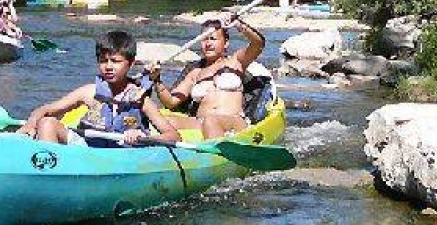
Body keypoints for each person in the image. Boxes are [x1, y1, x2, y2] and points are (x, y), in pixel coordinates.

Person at [17, 30, 181, 147]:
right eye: (103, 61)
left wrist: (144, 138)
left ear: (130, 64)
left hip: (121, 154)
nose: (108, 67)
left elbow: (174, 136)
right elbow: (46, 110)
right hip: (88, 147)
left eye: (115, 61)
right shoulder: (89, 92)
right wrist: (31, 124)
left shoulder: (140, 98)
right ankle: (50, 170)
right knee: (47, 123)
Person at [148, 17, 265, 139]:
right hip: (201, 122)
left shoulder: (236, 61)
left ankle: (217, 154)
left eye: (213, 39)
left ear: (226, 43)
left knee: (211, 120)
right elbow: (171, 102)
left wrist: (239, 25)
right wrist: (157, 79)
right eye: (204, 39)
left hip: (233, 121)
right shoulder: (195, 72)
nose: (208, 44)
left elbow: (258, 43)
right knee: (164, 121)